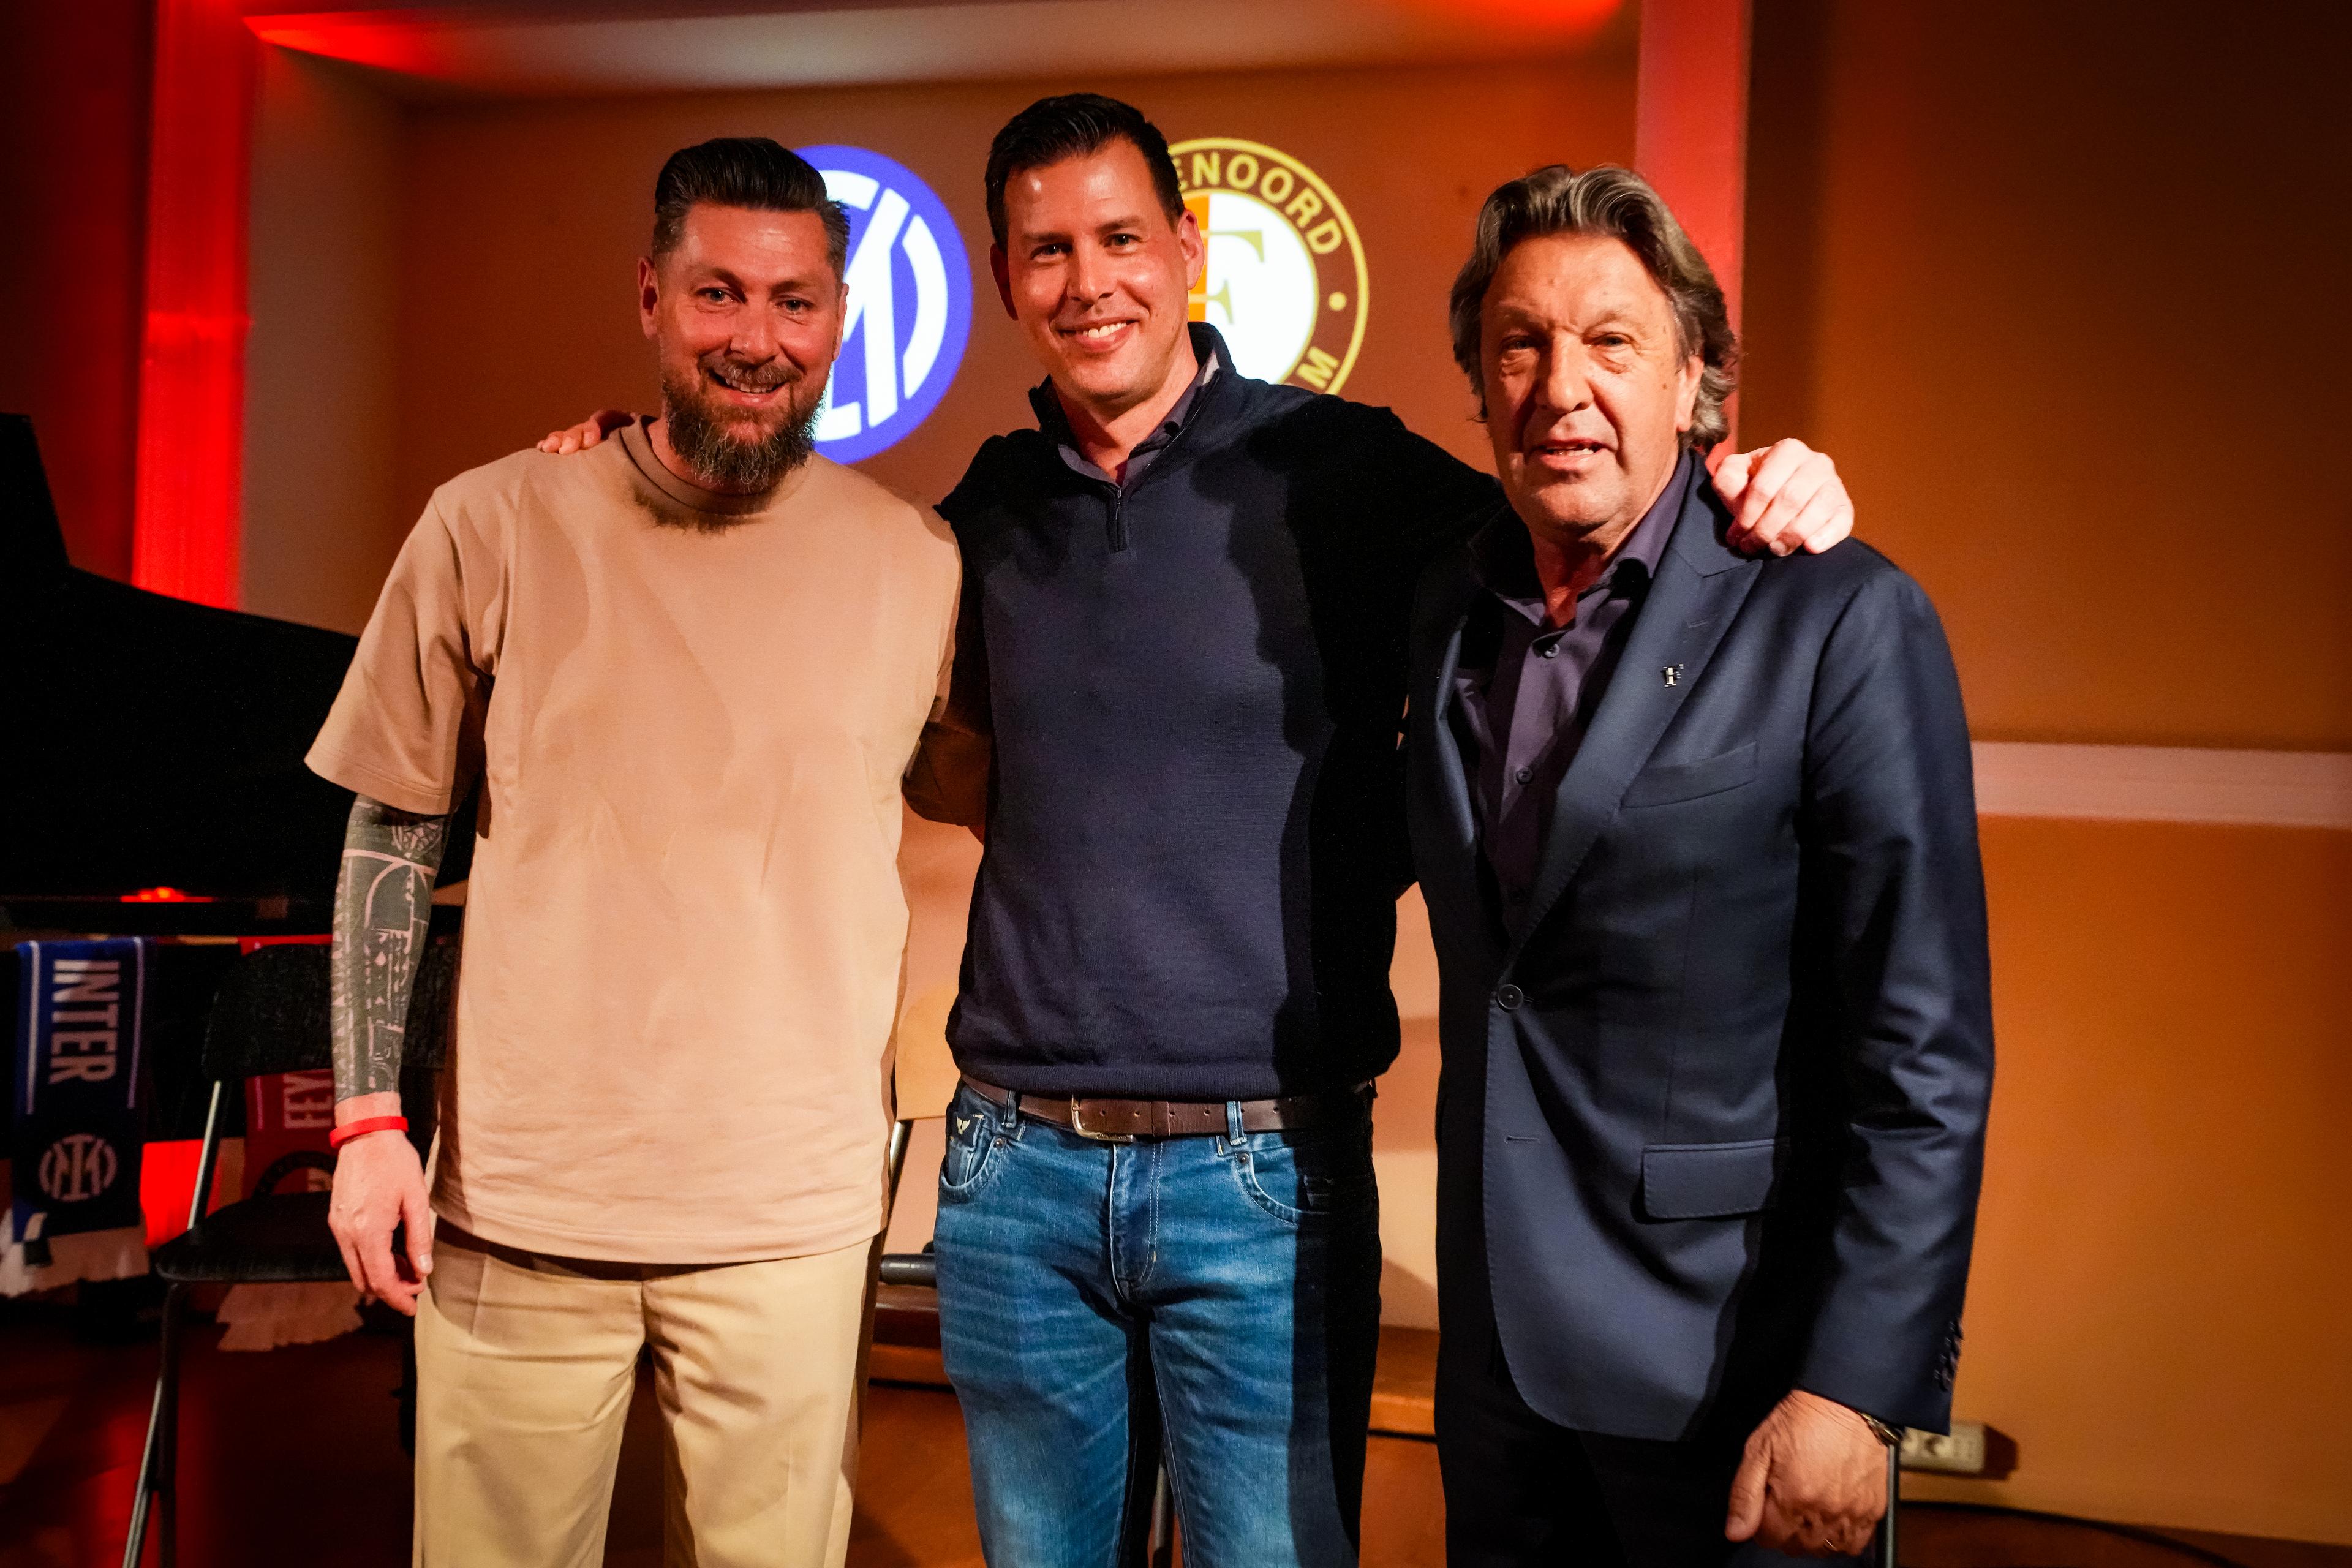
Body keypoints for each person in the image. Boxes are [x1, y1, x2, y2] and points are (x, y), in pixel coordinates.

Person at [543, 96, 1852, 1567]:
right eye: (1047, 250)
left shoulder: (1349, 472)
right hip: (1013, 1174)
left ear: (1187, 247)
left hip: (1264, 1177)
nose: (1087, 281)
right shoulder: (982, 513)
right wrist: (628, 469)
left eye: (1119, 239)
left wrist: (1752, 473)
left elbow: (1590, 509)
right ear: (1004, 275)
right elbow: (792, 581)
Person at [314, 138, 960, 1568]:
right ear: (652, 298)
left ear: (839, 318)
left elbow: (991, 785)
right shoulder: (491, 519)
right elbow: (390, 826)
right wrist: (365, 1125)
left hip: (792, 1213)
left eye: (794, 301)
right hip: (523, 1202)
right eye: (717, 292)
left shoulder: (919, 560)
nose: (756, 337)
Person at [1407, 162, 1993, 1566]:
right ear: (1479, 382)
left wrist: (1856, 1386)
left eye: (1612, 341)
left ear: (1693, 380)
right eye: (1521, 344)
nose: (1563, 387)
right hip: (1495, 1376)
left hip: (1734, 1370)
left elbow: (1921, 1051)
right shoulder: (1442, 608)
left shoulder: (1837, 615)